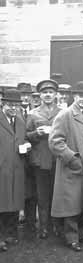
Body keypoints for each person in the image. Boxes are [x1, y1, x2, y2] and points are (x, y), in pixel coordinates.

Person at [49, 81, 83, 252]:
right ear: (74, 96)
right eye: (80, 96)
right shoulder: (65, 115)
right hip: (73, 167)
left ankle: (80, 233)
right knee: (71, 204)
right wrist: (72, 159)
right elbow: (55, 142)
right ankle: (71, 238)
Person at [26, 79, 62, 239]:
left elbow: (67, 133)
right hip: (40, 160)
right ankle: (43, 227)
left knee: (58, 193)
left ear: (55, 95)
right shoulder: (33, 114)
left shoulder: (62, 112)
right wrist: (36, 134)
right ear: (39, 95)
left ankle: (56, 225)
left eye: (51, 92)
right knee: (42, 195)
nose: (48, 95)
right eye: (44, 92)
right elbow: (25, 136)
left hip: (57, 159)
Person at [0, 90, 28, 250]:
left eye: (16, 105)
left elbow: (23, 139)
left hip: (17, 167)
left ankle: (10, 234)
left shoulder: (20, 120)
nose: (13, 108)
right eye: (10, 104)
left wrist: (27, 145)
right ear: (3, 103)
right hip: (2, 167)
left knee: (13, 202)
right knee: (1, 202)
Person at [16, 82, 37, 233]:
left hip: (33, 156)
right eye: (22, 95)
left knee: (32, 188)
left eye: (27, 95)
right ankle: (18, 213)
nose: (25, 98)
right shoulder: (11, 112)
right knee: (18, 186)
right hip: (17, 157)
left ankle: (31, 220)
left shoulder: (34, 112)